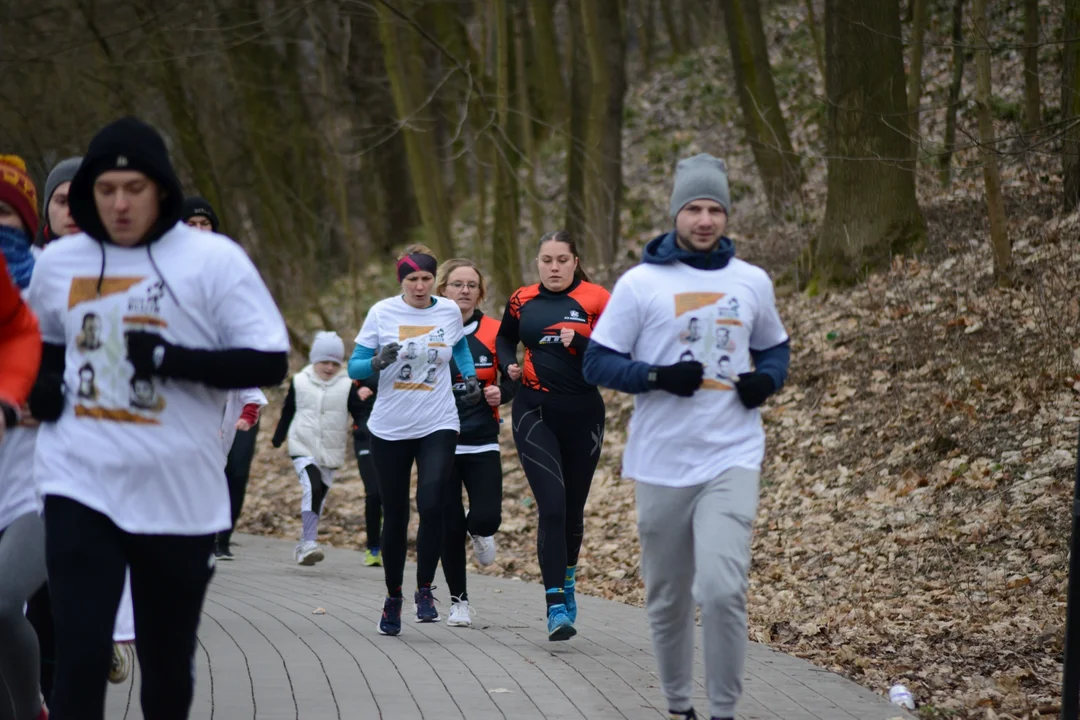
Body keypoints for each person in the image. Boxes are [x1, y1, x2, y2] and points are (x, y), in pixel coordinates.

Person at [27, 116, 289, 720]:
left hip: (177, 490)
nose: (119, 204)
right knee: (81, 655)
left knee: (167, 666)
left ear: (162, 189)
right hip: (78, 478)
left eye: (135, 189)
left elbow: (270, 358)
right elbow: (45, 342)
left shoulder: (211, 260)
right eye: (106, 189)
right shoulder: (62, 262)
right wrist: (41, 385)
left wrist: (173, 360)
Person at [582, 153, 790, 720]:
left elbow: (774, 345)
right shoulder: (641, 284)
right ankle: (679, 707)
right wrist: (656, 377)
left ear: (726, 216)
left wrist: (765, 380)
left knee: (722, 589)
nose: (705, 219)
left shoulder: (750, 281)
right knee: (669, 597)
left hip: (732, 453)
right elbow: (596, 363)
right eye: (694, 208)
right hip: (661, 462)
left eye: (715, 209)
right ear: (676, 214)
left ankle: (723, 710)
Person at [348, 244, 482, 636]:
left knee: (433, 500)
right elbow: (355, 364)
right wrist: (375, 362)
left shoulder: (447, 311)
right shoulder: (382, 313)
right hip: (390, 426)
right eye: (412, 279)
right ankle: (393, 597)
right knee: (397, 515)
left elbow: (457, 346)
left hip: (438, 420)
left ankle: (425, 589)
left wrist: (469, 376)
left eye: (426, 278)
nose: (420, 286)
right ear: (401, 281)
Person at [495, 231, 609, 641]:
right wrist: (507, 363)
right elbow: (505, 337)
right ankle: (555, 605)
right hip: (534, 410)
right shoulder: (521, 299)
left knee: (573, 511)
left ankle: (569, 577)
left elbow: (618, 352)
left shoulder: (597, 298)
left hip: (584, 414)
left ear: (575, 261)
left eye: (562, 259)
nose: (554, 267)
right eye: (547, 260)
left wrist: (581, 341)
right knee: (553, 506)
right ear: (538, 262)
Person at [181, 194, 266, 560]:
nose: (200, 231)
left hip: (235, 395)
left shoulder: (233, 270)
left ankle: (220, 537)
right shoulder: (166, 272)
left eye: (206, 225)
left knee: (233, 470)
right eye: (192, 225)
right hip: (188, 395)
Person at [434, 258, 516, 628]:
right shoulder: (429, 328)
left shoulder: (495, 330)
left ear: (480, 293)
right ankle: (458, 602)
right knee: (449, 525)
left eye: (471, 285)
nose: (464, 291)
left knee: (487, 516)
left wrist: (503, 392)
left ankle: (480, 532)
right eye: (456, 284)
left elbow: (514, 377)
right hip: (438, 439)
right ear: (442, 290)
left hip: (482, 437)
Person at [0, 194, 48, 720]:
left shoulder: (54, 290)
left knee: (2, 604)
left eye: (4, 213)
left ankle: (33, 707)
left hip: (38, 486)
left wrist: (47, 399)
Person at [271, 331, 363, 565]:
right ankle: (310, 542)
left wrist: (365, 429)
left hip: (331, 450)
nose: (330, 368)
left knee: (318, 497)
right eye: (324, 362)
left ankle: (304, 543)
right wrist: (278, 437)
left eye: (334, 363)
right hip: (302, 443)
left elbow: (359, 412)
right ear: (314, 360)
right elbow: (288, 410)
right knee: (311, 488)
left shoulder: (346, 385)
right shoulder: (300, 381)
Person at [351, 373, 382, 567]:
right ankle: (373, 548)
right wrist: (354, 395)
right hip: (365, 437)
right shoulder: (359, 369)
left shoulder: (402, 361)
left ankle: (391, 545)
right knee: (374, 493)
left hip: (394, 436)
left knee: (393, 495)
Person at [34, 157, 83, 250]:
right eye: (62, 201)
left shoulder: (116, 259)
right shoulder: (23, 259)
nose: (71, 212)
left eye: (82, 202)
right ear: (47, 208)